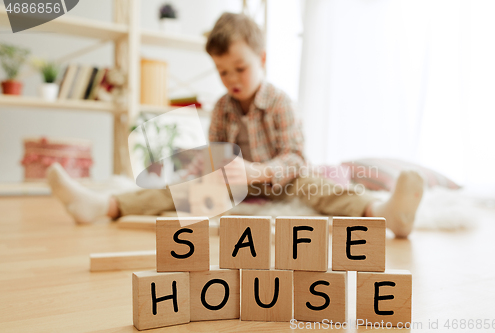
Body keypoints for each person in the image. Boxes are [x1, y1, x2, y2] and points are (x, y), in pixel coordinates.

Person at [47, 13, 424, 238]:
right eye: (223, 71)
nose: (232, 79)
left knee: (322, 187)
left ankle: (384, 212)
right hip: (234, 187)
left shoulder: (279, 103)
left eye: (240, 68)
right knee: (176, 192)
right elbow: (212, 153)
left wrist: (259, 171)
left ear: (262, 58)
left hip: (284, 180)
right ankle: (103, 206)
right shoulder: (224, 108)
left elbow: (294, 157)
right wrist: (206, 173)